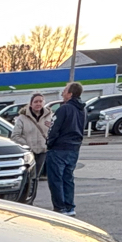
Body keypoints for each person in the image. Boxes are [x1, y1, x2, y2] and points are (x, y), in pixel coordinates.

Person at [44, 81, 87, 216]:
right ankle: (70, 206)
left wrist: (49, 143)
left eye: (65, 90)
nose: (62, 93)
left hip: (59, 148)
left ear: (70, 93)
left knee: (56, 178)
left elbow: (54, 129)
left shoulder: (64, 108)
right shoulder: (82, 110)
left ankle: (60, 207)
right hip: (74, 148)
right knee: (68, 177)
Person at [10, 93, 53, 204]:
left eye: (40, 101)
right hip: (29, 153)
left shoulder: (50, 116)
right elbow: (15, 135)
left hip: (43, 152)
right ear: (31, 103)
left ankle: (32, 199)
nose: (38, 104)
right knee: (28, 178)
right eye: (36, 101)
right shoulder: (22, 118)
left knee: (36, 178)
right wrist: (28, 145)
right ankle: (26, 201)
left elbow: (54, 133)